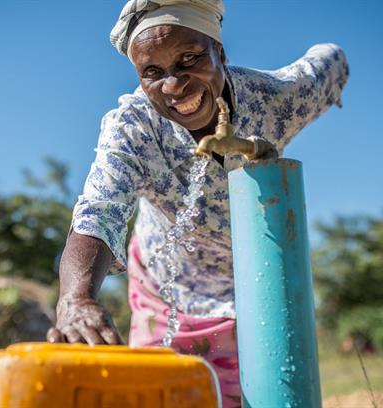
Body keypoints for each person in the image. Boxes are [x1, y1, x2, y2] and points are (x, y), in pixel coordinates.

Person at [46, 1, 348, 405]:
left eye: (189, 59)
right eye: (153, 72)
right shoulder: (134, 126)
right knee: (166, 397)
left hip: (258, 286)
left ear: (220, 53)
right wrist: (75, 298)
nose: (174, 85)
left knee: (270, 394)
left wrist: (336, 77)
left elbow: (330, 60)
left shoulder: (275, 99)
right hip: (166, 290)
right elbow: (98, 211)